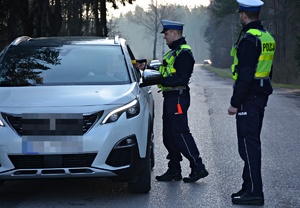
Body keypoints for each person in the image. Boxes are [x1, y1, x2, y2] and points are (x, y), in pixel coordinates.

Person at [228, 0, 276, 205]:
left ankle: (255, 192)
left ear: (244, 15)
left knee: (248, 146)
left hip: (249, 98)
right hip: (260, 94)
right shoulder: (266, 36)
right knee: (251, 144)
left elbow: (245, 75)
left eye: (240, 14)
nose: (240, 17)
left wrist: (235, 102)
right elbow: (267, 70)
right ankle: (248, 187)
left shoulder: (249, 39)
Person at [155, 19, 208, 183]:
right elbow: (167, 72)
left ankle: (198, 167)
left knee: (180, 133)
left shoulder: (184, 53)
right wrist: (151, 69)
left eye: (166, 34)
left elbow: (181, 78)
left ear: (174, 33)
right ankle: (174, 169)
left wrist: (161, 80)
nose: (164, 37)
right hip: (170, 97)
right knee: (168, 135)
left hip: (177, 97)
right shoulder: (173, 52)